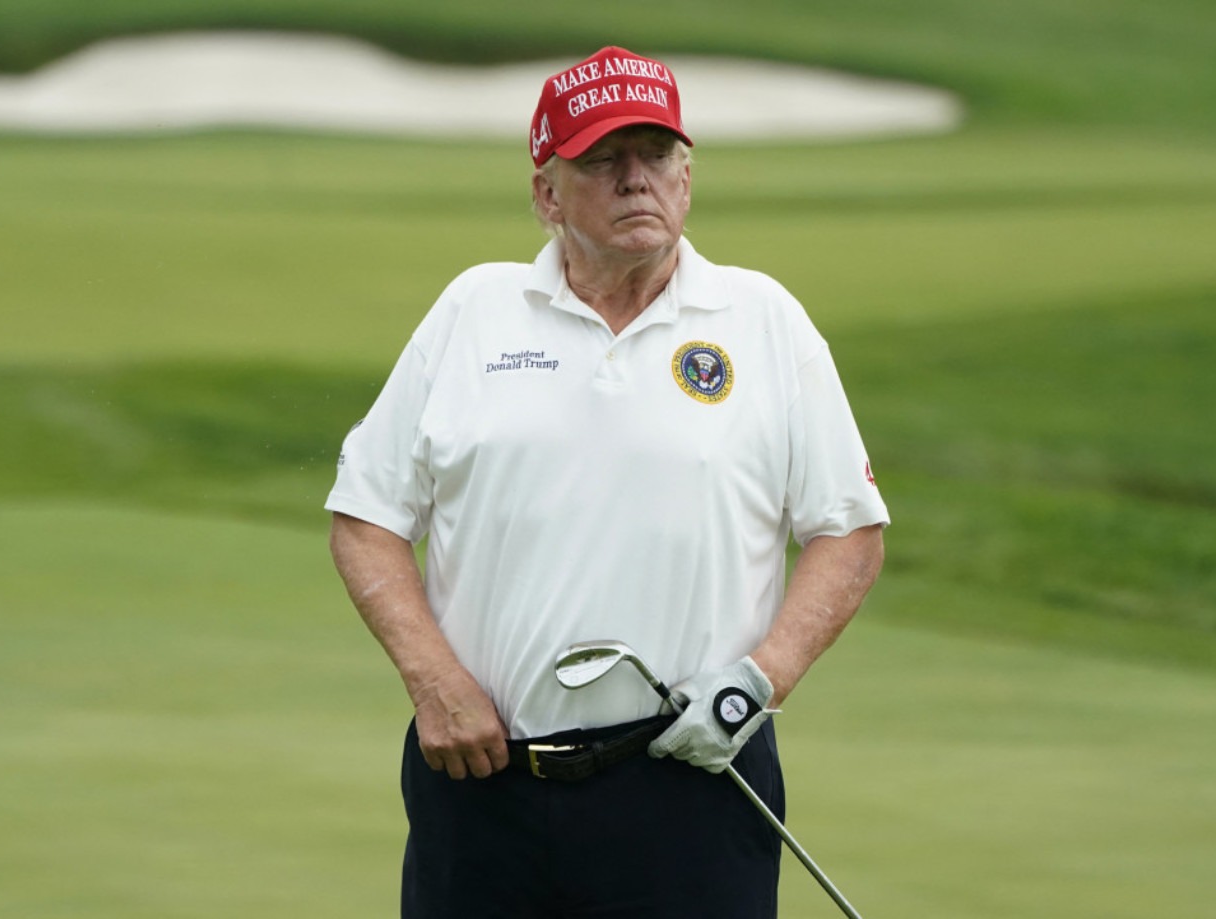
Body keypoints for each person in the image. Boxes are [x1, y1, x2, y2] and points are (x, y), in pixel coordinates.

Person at [326, 45, 888, 919]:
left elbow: (848, 530)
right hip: (484, 783)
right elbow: (366, 516)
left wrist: (760, 677)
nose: (638, 181)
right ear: (548, 193)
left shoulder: (762, 320)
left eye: (657, 156)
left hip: (691, 781)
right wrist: (432, 680)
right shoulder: (475, 311)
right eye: (603, 160)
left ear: (688, 176)